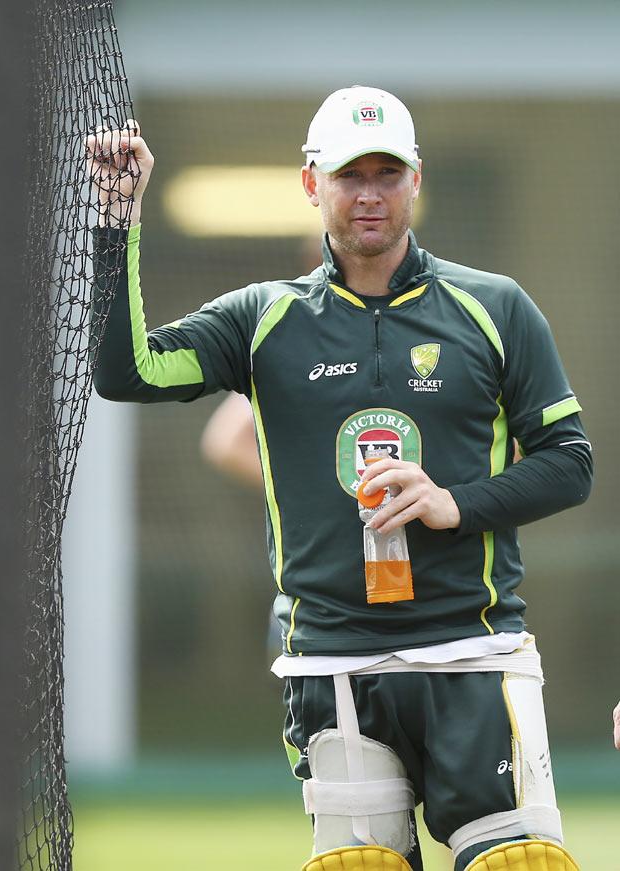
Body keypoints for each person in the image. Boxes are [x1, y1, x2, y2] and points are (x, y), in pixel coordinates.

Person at [87, 86, 592, 871]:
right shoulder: (262, 318)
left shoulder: (496, 306)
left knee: (517, 863)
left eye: (388, 173)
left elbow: (570, 461)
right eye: (350, 174)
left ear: (416, 180)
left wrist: (453, 501)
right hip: (333, 662)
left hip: (474, 650)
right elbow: (128, 371)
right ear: (310, 182)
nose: (369, 194)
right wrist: (116, 221)